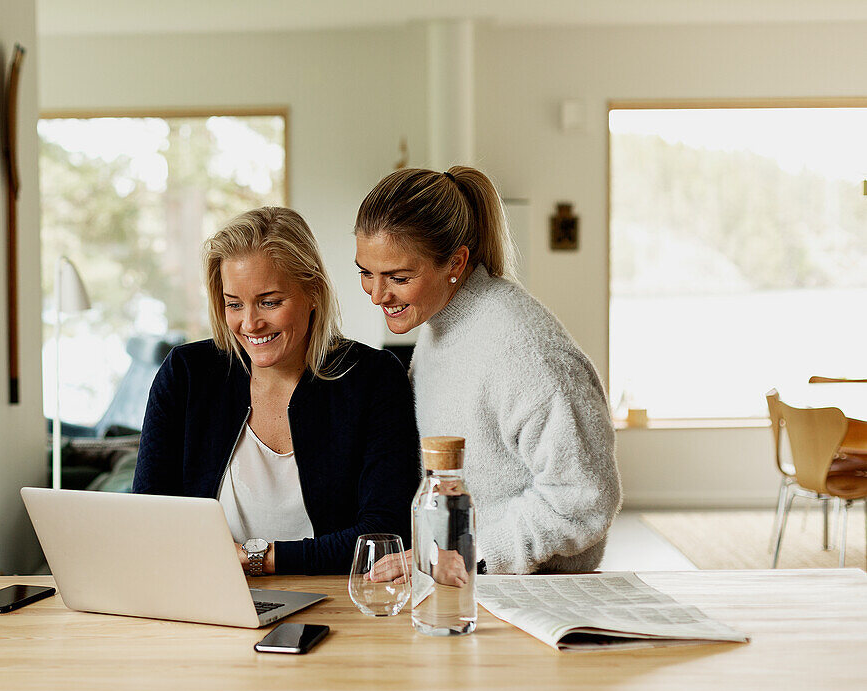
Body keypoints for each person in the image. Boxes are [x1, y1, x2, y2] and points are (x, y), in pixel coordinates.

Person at [356, 166, 621, 580]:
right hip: (463, 578)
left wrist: (463, 555)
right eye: (366, 273)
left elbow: (583, 499)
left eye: (398, 277)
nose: (376, 294)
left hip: (536, 592)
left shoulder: (523, 347)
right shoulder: (441, 327)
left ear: (456, 262)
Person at [132, 206, 420, 576]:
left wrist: (260, 559)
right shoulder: (187, 374)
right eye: (234, 304)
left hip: (336, 600)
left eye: (270, 301)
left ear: (313, 291)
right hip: (204, 593)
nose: (250, 323)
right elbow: (148, 516)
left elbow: (383, 536)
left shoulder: (373, 379)